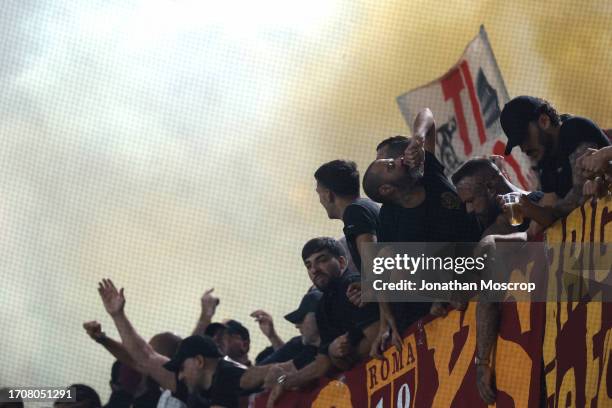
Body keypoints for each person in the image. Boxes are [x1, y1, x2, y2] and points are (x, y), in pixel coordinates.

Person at [362, 108, 481, 357]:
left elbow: (426, 114)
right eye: (388, 165)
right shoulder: (389, 219)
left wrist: (417, 138)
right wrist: (386, 318)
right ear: (386, 189)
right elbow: (381, 272)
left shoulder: (427, 172)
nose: (397, 160)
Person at [451, 157, 546, 404]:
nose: (469, 210)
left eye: (471, 201)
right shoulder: (492, 230)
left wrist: (482, 361)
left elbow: (488, 295)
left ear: (492, 188)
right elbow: (465, 295)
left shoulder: (541, 201)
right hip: (531, 352)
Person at [265, 238, 379, 406]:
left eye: (322, 260)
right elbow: (322, 363)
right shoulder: (324, 306)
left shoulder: (352, 285)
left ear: (342, 262)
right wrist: (285, 381)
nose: (314, 270)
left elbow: (377, 337)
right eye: (309, 265)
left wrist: (339, 355)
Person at [96, 279, 245, 408]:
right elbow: (143, 357)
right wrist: (116, 317)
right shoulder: (176, 388)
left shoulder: (232, 383)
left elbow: (143, 357)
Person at [501, 96, 611, 226]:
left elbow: (579, 196)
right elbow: (549, 206)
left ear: (544, 121)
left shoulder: (574, 129)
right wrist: (530, 211)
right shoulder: (545, 156)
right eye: (518, 143)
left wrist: (536, 211)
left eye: (524, 137)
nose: (524, 148)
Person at [240, 290, 322, 390]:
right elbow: (286, 367)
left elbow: (283, 374)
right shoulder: (308, 349)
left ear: (318, 316)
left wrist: (280, 380)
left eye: (301, 318)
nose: (296, 325)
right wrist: (272, 336)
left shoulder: (331, 348)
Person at [314, 160, 380, 270]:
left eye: (319, 193)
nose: (320, 200)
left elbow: (373, 265)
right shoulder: (366, 205)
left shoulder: (355, 212)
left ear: (328, 195)